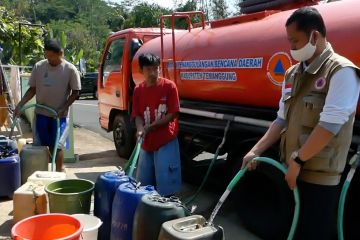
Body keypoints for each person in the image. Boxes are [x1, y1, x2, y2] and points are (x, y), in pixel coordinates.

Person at [242, 7, 360, 239]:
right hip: (291, 172)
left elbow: (330, 126)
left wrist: (298, 160)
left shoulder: (341, 71)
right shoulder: (292, 74)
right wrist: (255, 150)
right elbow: (281, 119)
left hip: (320, 178)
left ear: (315, 36)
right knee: (293, 230)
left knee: (314, 232)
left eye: (295, 41)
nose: (292, 48)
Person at [15, 39, 81, 172]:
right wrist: (20, 104)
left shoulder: (70, 69)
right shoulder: (39, 67)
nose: (49, 59)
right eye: (47, 56)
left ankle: (59, 171)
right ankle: (42, 171)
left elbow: (76, 92)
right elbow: (32, 89)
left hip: (59, 116)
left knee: (58, 145)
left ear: (60, 53)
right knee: (41, 145)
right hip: (41, 114)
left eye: (52, 56)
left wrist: (64, 107)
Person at [132, 53, 181, 197]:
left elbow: (173, 114)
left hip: (166, 140)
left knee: (167, 185)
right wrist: (140, 129)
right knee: (143, 184)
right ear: (141, 70)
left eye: (156, 69)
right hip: (147, 142)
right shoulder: (138, 90)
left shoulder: (169, 87)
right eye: (149, 69)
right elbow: (137, 115)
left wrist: (150, 127)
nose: (153, 73)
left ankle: (167, 210)